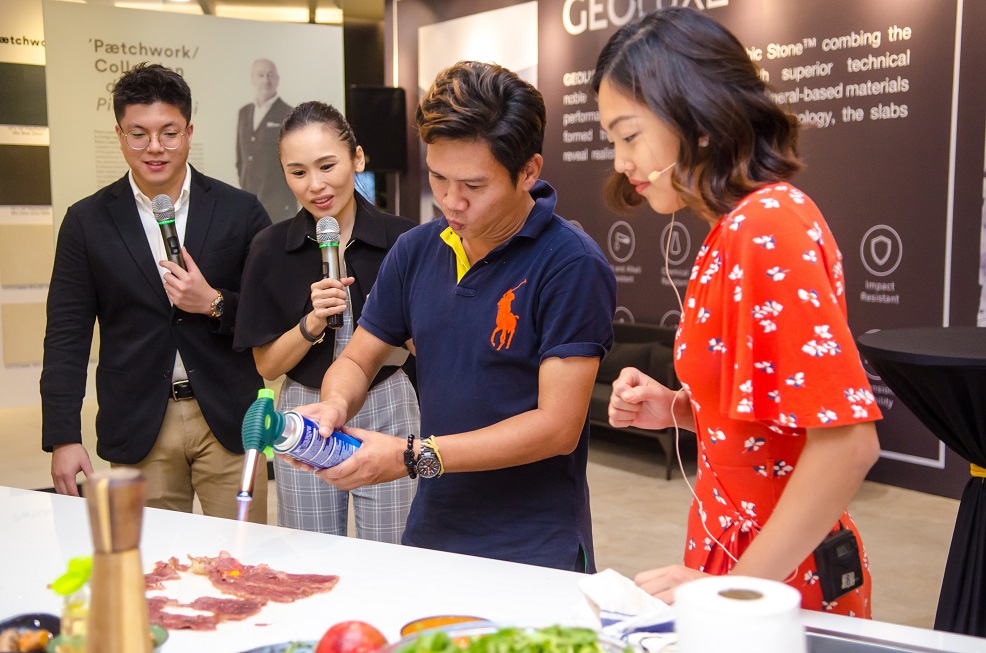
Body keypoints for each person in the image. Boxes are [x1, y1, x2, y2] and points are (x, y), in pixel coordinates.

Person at [596, 7, 882, 615]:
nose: (621, 162)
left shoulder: (767, 226)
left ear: (698, 120)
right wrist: (677, 409)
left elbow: (846, 445)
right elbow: (773, 434)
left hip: (775, 585)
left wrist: (732, 591)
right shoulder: (734, 231)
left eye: (629, 137)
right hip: (742, 564)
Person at [290, 61, 617, 572]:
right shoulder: (416, 249)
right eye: (438, 177)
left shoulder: (570, 264)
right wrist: (334, 406)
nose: (450, 201)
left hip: (533, 548)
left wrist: (413, 455)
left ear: (528, 171)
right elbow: (357, 359)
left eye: (474, 185)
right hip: (433, 532)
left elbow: (557, 426)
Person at [41, 63, 271, 522]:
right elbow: (66, 335)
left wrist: (214, 304)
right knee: (150, 561)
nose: (154, 147)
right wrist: (63, 436)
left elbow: (269, 314)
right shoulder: (86, 222)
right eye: (138, 134)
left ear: (188, 132)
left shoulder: (240, 210)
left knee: (243, 555)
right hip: (139, 422)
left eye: (168, 133)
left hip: (230, 419)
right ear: (119, 135)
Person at [234, 101, 418, 542]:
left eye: (327, 166)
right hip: (305, 412)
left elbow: (431, 345)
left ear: (357, 159)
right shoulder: (269, 248)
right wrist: (311, 324)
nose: (315, 185)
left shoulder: (406, 240)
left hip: (388, 401)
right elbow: (267, 366)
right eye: (298, 172)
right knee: (309, 551)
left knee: (394, 553)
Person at [236, 59, 296, 223]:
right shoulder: (244, 112)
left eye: (270, 75)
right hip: (248, 203)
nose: (266, 80)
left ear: (277, 79)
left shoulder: (289, 114)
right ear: (252, 79)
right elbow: (241, 157)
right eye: (260, 75)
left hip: (278, 207)